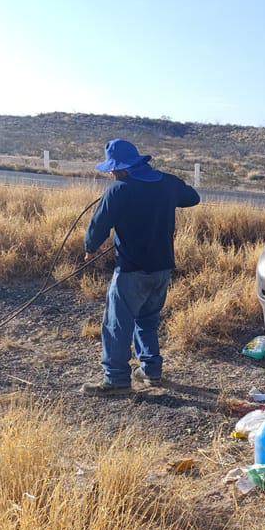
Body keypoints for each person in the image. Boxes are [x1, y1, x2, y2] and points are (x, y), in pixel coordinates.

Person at [80, 139, 200, 396]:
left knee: (117, 324)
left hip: (131, 271)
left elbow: (99, 225)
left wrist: (90, 248)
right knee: (147, 320)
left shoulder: (119, 190)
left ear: (122, 168)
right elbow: (192, 197)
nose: (111, 173)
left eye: (112, 168)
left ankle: (116, 380)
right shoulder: (166, 183)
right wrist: (168, 189)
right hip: (162, 269)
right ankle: (151, 371)